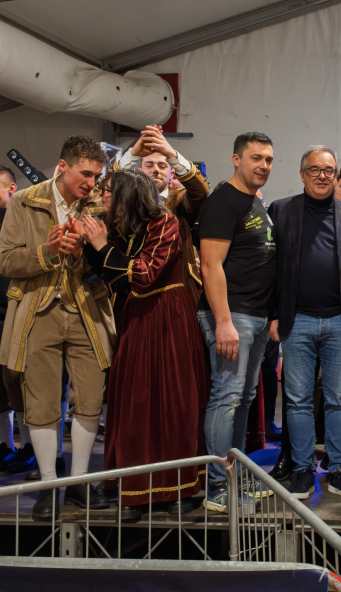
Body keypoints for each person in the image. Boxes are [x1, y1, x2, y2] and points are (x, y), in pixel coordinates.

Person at [78, 170, 208, 519]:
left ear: (127, 195)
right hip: (137, 315)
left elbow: (145, 275)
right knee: (136, 401)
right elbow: (108, 276)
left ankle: (179, 488)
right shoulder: (120, 228)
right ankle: (136, 490)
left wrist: (101, 246)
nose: (103, 196)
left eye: (109, 190)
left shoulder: (164, 222)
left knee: (174, 401)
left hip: (169, 315)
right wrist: (87, 244)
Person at [0, 136, 115, 519]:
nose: (92, 183)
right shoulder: (25, 201)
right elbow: (6, 260)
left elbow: (110, 262)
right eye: (86, 173)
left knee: (91, 397)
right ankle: (49, 485)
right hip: (37, 310)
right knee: (41, 401)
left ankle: (79, 484)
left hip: (87, 310)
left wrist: (85, 252)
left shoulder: (101, 205)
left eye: (97, 176)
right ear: (62, 167)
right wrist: (46, 252)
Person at [268, 146, 341, 500]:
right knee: (297, 400)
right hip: (295, 321)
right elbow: (270, 269)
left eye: (329, 170)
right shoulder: (281, 210)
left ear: (336, 174)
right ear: (302, 174)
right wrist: (273, 314)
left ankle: (340, 471)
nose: (322, 176)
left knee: (339, 400)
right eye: (314, 169)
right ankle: (301, 471)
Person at [197, 132, 276, 513]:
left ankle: (237, 475)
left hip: (256, 316)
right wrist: (223, 321)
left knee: (242, 398)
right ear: (236, 159)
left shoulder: (253, 200)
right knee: (226, 397)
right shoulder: (222, 201)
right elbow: (210, 266)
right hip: (233, 316)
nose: (263, 165)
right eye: (256, 158)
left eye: (268, 159)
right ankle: (217, 486)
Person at [111, 125, 209, 303]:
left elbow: (201, 192)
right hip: (130, 289)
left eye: (163, 166)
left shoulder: (180, 199)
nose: (156, 169)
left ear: (171, 174)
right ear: (139, 172)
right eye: (149, 165)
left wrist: (171, 154)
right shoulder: (126, 201)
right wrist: (133, 154)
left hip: (172, 292)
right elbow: (108, 186)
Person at [0, 166, 33, 476]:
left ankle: (29, 447)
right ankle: (6, 445)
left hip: (16, 309)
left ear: (11, 189)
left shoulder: (22, 218)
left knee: (19, 380)